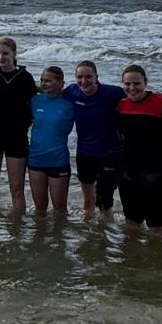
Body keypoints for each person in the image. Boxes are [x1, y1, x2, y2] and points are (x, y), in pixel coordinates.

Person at [0, 37, 36, 216]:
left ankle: (17, 227)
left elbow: (34, 104)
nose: (1, 57)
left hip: (17, 137)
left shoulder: (25, 77)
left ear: (14, 54)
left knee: (17, 188)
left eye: (5, 53)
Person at [116, 64, 162, 234]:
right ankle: (134, 251)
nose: (132, 88)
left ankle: (159, 252)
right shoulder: (120, 105)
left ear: (145, 83)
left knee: (157, 225)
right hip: (129, 170)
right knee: (131, 222)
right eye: (127, 84)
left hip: (157, 171)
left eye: (137, 83)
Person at [64, 60, 124, 219]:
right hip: (84, 152)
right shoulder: (71, 91)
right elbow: (52, 90)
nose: (84, 81)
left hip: (110, 153)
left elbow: (137, 96)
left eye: (88, 76)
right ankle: (89, 231)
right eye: (79, 77)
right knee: (88, 201)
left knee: (104, 203)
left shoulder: (112, 93)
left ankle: (105, 231)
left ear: (97, 77)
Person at [27, 66, 75, 215]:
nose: (44, 83)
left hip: (58, 160)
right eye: (42, 80)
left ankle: (59, 232)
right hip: (35, 159)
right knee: (40, 206)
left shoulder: (70, 104)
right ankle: (39, 231)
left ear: (61, 83)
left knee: (60, 210)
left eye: (48, 80)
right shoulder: (35, 101)